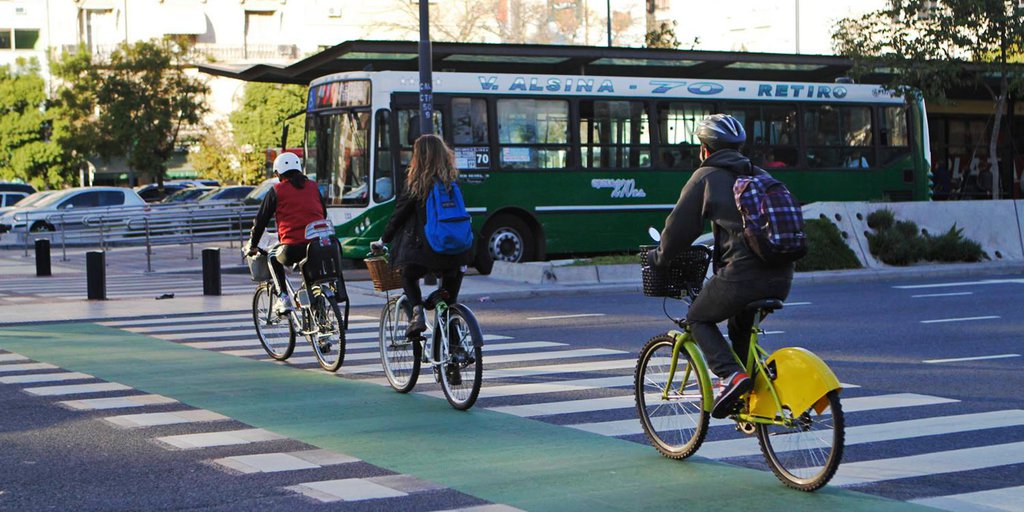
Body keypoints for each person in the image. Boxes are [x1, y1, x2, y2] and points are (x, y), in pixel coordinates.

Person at [647, 114, 794, 419]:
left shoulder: (706, 177)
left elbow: (678, 230)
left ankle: (730, 376)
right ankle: (748, 397)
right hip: (782, 274)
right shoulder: (759, 175)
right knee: (740, 327)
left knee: (697, 317)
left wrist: (659, 259)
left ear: (704, 149)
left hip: (743, 275)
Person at [372, 134, 473, 339]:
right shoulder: (452, 183)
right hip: (458, 253)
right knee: (448, 304)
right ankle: (454, 355)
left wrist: (383, 240)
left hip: (426, 253)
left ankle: (417, 313)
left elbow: (398, 216)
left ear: (419, 156)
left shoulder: (417, 184)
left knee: (407, 275)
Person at [245, 152, 328, 314]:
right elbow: (322, 214)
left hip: (293, 247)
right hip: (319, 245)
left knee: (272, 257)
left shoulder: (277, 190)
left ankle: (283, 298)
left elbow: (260, 221)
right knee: (312, 280)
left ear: (278, 173)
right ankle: (321, 322)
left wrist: (253, 245)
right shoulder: (313, 186)